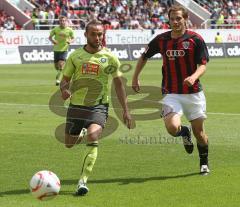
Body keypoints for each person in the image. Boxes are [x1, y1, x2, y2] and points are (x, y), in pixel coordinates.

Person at [132, 5, 210, 175]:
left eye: (178, 18)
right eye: (172, 19)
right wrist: (135, 76)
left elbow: (203, 65)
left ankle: (203, 163)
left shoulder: (195, 39)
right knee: (172, 128)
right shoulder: (161, 40)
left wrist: (193, 77)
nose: (175, 22)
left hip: (193, 93)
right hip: (171, 92)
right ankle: (184, 132)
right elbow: (144, 56)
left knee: (200, 133)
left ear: (185, 19)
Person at [60, 19, 132, 196]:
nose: (98, 37)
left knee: (93, 135)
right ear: (86, 35)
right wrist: (64, 90)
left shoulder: (110, 57)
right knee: (69, 144)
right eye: (94, 34)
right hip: (76, 106)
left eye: (100, 34)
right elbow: (65, 80)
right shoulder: (75, 56)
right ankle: (82, 134)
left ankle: (82, 181)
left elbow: (119, 85)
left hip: (98, 106)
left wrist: (126, 110)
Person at [49, 15, 75, 86]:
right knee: (56, 67)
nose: (62, 22)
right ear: (59, 21)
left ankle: (58, 80)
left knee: (61, 65)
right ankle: (60, 73)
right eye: (61, 21)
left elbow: (73, 38)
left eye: (63, 21)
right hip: (56, 50)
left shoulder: (69, 30)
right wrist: (53, 41)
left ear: (66, 21)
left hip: (64, 50)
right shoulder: (55, 29)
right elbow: (50, 37)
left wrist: (70, 41)